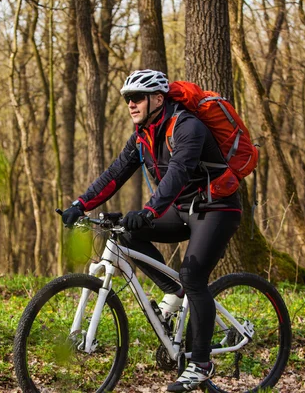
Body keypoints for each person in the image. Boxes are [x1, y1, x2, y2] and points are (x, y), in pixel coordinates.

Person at [61, 69, 241, 392]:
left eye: (137, 98)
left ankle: (200, 364)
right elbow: (115, 173)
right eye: (128, 99)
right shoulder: (143, 135)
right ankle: (174, 291)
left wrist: (148, 211)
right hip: (183, 208)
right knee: (126, 234)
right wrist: (81, 203)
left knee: (194, 275)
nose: (131, 104)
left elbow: (177, 174)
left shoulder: (188, 127)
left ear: (158, 99)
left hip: (217, 207)